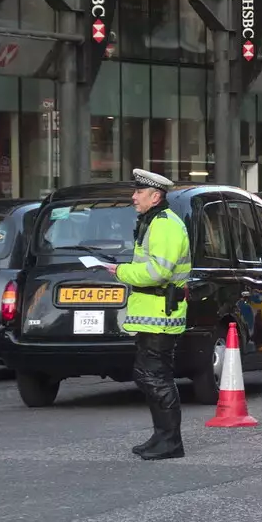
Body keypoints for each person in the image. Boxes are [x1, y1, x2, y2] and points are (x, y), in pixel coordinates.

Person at [103, 169, 192, 460]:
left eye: (139, 192)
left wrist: (120, 271)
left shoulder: (164, 226)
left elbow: (158, 272)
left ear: (155, 197)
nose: (133, 197)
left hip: (162, 315)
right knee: (148, 375)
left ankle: (170, 441)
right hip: (153, 314)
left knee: (154, 377)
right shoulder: (153, 222)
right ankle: (161, 436)